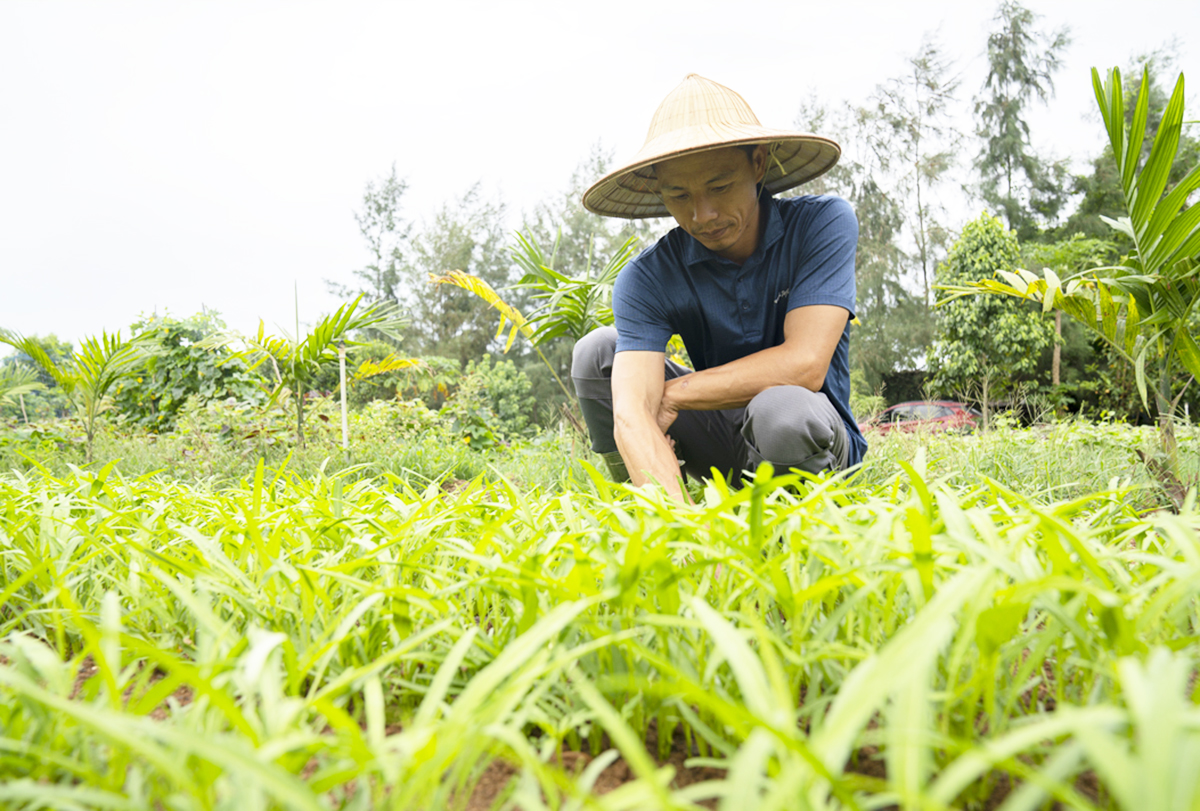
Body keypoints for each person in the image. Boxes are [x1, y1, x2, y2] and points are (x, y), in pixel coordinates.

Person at [572, 74, 867, 502]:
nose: (702, 214)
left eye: (720, 187)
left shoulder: (821, 225)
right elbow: (633, 412)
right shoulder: (649, 277)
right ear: (659, 191)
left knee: (778, 411)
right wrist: (684, 532)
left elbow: (805, 365)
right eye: (679, 195)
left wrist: (674, 393)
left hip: (807, 431)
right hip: (721, 438)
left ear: (758, 164)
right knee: (597, 354)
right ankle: (648, 501)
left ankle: (800, 523)